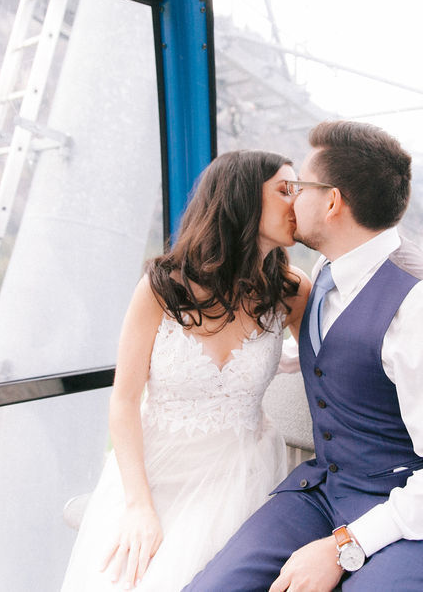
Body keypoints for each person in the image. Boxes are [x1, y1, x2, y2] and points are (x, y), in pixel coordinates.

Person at [184, 121, 423, 591]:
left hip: (422, 520)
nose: (291, 200)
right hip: (323, 494)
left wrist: (344, 545)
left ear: (331, 202)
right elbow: (336, 357)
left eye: (300, 188)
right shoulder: (326, 272)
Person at [61, 150, 311, 591]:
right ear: (242, 200)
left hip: (240, 473)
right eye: (285, 190)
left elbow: (329, 366)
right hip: (155, 472)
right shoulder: (162, 287)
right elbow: (123, 401)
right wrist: (138, 507)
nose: (299, 202)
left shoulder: (291, 290)